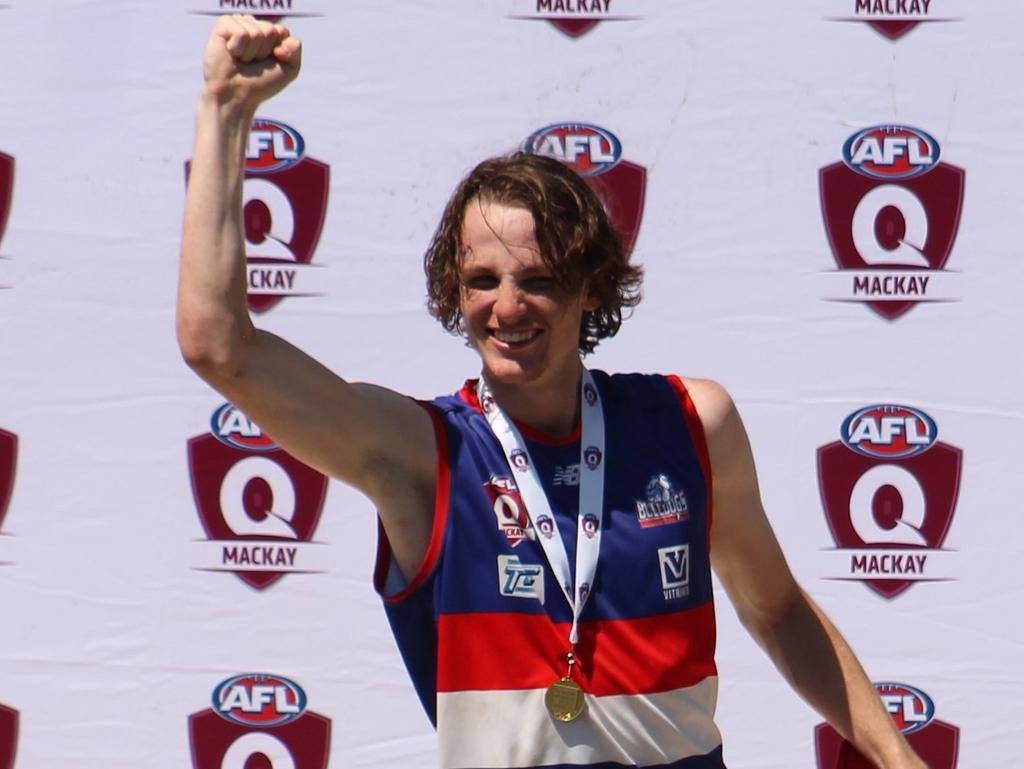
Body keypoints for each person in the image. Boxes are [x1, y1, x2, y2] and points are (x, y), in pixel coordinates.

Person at [178, 14, 928, 769]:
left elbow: (778, 608)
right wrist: (223, 112)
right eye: (481, 281)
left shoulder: (692, 421)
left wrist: (901, 760)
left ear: (590, 288)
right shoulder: (426, 455)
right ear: (453, 290)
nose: (506, 308)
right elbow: (219, 346)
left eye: (538, 280)